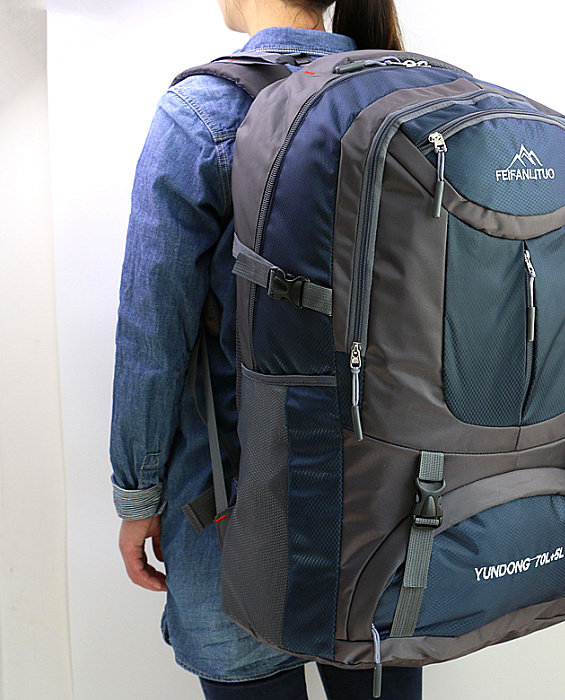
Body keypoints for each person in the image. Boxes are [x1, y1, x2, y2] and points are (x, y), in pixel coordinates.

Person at [109, 1, 422, 698]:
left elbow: (151, 333)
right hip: (395, 511)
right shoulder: (408, 96)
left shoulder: (202, 112)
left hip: (235, 514)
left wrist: (138, 495)